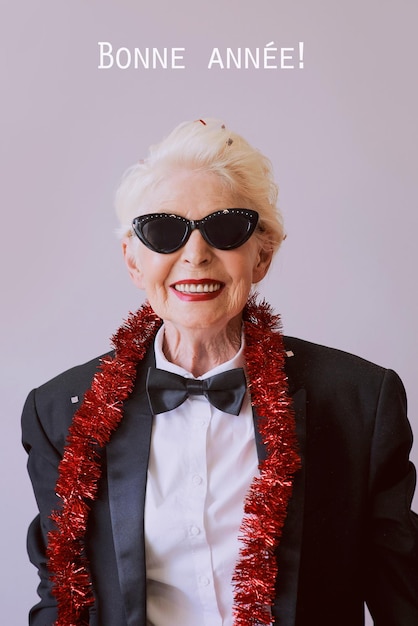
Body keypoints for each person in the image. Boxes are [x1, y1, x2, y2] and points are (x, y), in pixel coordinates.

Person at [22, 118, 418, 626]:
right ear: (132, 260)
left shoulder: (359, 401)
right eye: (163, 230)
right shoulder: (59, 411)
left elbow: (401, 598)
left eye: (225, 227)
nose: (195, 255)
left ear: (263, 254)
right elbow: (61, 598)